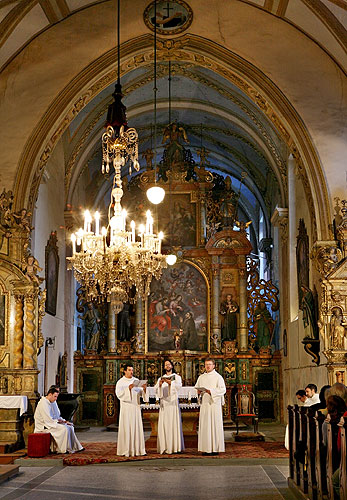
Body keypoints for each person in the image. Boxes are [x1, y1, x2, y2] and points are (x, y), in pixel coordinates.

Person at [34, 387, 84, 454]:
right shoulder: (43, 403)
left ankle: (75, 447)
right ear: (50, 395)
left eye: (56, 397)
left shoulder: (52, 402)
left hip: (52, 423)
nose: (56, 399)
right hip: (44, 426)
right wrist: (59, 422)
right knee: (64, 429)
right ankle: (62, 450)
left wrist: (64, 421)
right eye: (55, 396)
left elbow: (57, 416)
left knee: (70, 427)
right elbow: (47, 420)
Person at [115, 363, 148, 457]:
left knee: (136, 427)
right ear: (124, 371)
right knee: (127, 427)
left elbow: (141, 394)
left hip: (135, 407)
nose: (131, 372)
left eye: (132, 370)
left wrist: (144, 389)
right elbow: (119, 394)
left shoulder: (136, 381)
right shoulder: (120, 382)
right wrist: (128, 389)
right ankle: (126, 450)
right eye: (129, 370)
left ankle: (138, 450)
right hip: (126, 408)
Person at [195, 358, 226, 455]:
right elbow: (197, 389)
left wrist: (211, 391)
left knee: (214, 424)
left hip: (214, 404)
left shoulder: (218, 377)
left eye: (209, 364)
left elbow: (222, 390)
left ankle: (215, 448)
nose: (207, 366)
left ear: (214, 365)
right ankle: (205, 448)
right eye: (206, 364)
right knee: (205, 425)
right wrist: (199, 392)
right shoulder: (201, 377)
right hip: (205, 403)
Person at [154, 359, 184, 454]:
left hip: (173, 403)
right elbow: (156, 390)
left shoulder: (176, 377)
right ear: (164, 367)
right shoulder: (160, 378)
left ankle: (174, 447)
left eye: (169, 364)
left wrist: (171, 383)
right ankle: (165, 447)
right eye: (166, 365)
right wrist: (159, 385)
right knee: (164, 424)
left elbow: (179, 386)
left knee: (173, 423)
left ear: (172, 366)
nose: (167, 366)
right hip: (164, 404)